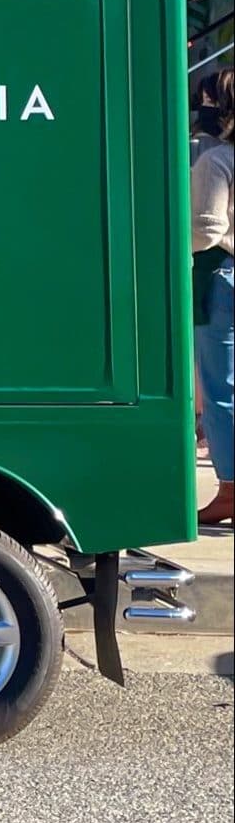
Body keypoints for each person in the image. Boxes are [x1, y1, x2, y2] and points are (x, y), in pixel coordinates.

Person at [190, 67, 234, 525]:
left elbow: (207, 229)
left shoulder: (217, 161)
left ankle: (231, 488)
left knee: (222, 386)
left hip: (223, 276)